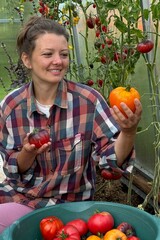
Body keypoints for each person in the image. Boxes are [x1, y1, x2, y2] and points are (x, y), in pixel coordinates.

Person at [0, 15, 142, 233]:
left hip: (69, 208)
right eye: (48, 54)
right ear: (27, 60)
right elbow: (12, 170)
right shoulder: (11, 107)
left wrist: (129, 131)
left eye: (64, 54)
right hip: (20, 198)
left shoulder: (88, 101)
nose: (59, 61)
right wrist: (28, 153)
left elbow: (110, 162)